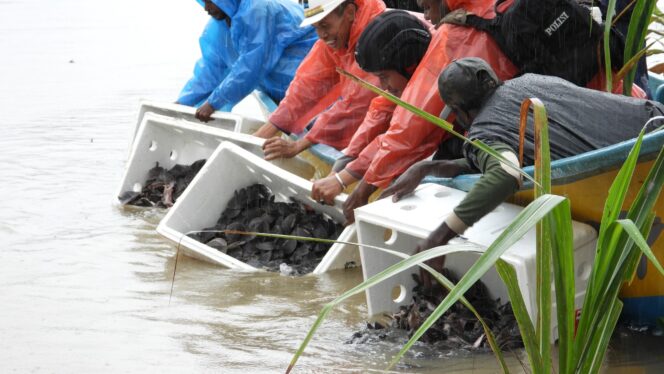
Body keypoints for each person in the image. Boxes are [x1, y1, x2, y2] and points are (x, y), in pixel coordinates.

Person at [381, 57, 664, 287]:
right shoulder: (530, 82)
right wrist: (430, 166)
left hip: (636, 173)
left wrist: (439, 237)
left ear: (461, 112)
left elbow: (506, 172)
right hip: (653, 121)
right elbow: (518, 152)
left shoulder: (484, 132)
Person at [327, 0, 518, 221]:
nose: (426, 18)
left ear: (407, 64)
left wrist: (359, 186)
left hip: (503, 136)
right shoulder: (459, 21)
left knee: (451, 149)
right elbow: (386, 107)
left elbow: (409, 131)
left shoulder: (455, 37)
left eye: (427, 7)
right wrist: (349, 160)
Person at [254, 0, 394, 162]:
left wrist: (298, 145)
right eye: (315, 28)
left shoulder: (378, 37)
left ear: (349, 12)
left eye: (325, 25)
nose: (321, 34)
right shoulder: (337, 38)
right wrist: (265, 131)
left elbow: (356, 106)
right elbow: (306, 84)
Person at [176, 0, 317, 122]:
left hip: (310, 69)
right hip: (281, 86)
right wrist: (182, 103)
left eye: (209, 1)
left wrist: (213, 103)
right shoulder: (219, 25)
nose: (206, 8)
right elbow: (211, 69)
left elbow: (252, 65)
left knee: (317, 110)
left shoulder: (257, 10)